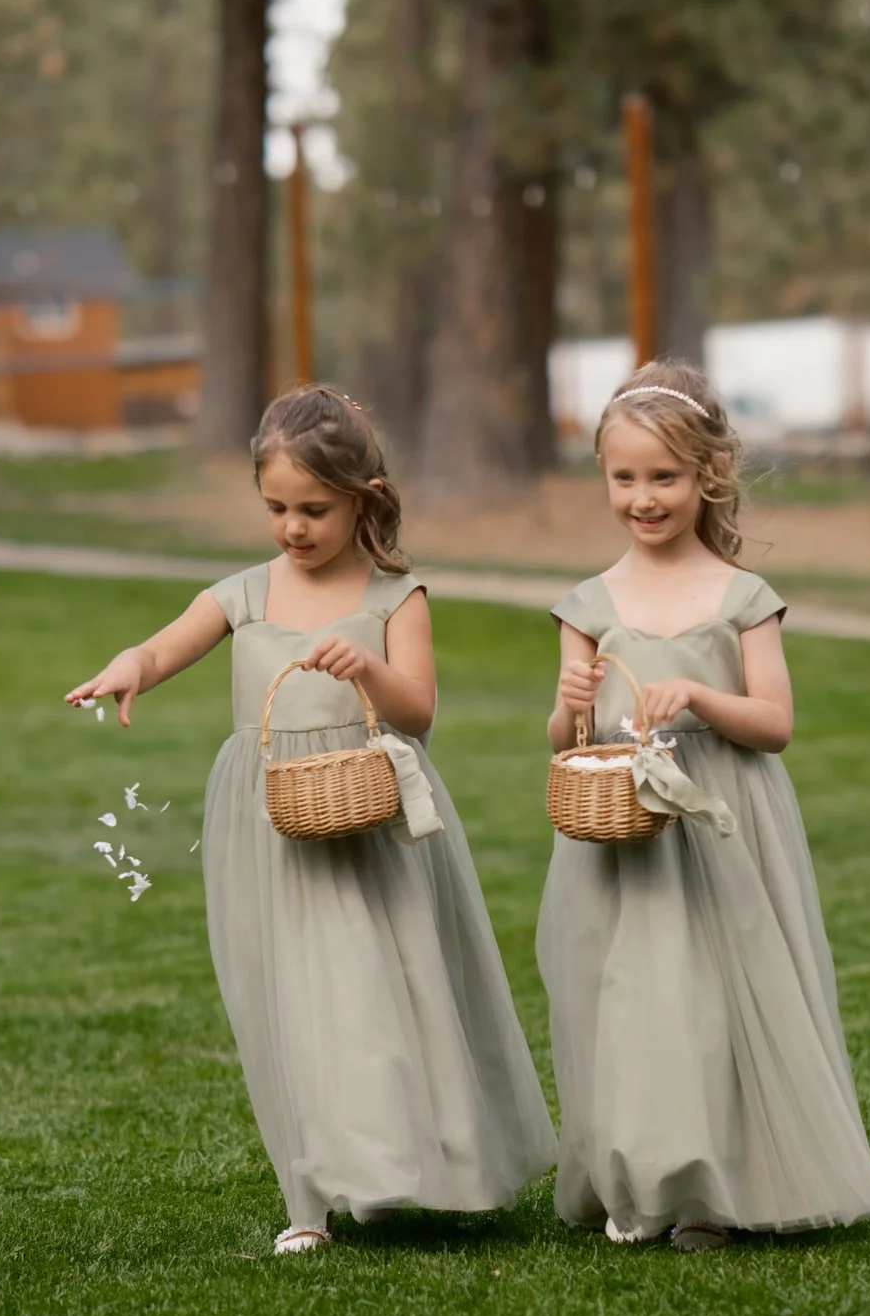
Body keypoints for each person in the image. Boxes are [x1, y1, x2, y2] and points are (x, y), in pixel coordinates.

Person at [65, 384, 555, 1255]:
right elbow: (168, 644)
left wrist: (366, 667)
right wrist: (131, 666)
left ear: (364, 498)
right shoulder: (244, 593)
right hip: (271, 825)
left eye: (314, 509)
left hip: (371, 821)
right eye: (276, 507)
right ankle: (310, 1200)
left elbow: (419, 712)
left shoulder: (396, 596)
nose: (292, 527)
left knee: (381, 992)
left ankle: (392, 1165)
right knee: (291, 999)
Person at [535, 360, 870, 1253]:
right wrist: (571, 705)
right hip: (625, 835)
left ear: (709, 475)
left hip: (722, 825)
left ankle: (710, 1190)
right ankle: (641, 1177)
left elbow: (774, 724)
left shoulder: (742, 599)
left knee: (710, 1005)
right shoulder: (587, 605)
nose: (643, 498)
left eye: (664, 477)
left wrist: (696, 697)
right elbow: (566, 741)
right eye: (624, 478)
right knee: (631, 999)